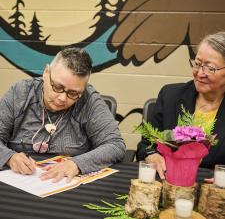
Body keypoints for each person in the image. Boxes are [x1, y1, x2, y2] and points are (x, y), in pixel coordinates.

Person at [0, 47, 125, 182]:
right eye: (58, 87)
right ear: (46, 73)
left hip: (65, 182)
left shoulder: (89, 101)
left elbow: (115, 145)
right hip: (18, 179)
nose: (62, 98)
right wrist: (9, 157)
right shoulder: (20, 93)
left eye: (73, 93)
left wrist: (77, 163)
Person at [136, 31, 225, 179]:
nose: (200, 73)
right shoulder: (170, 95)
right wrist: (152, 155)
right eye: (197, 64)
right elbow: (146, 144)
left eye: (210, 68)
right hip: (170, 182)